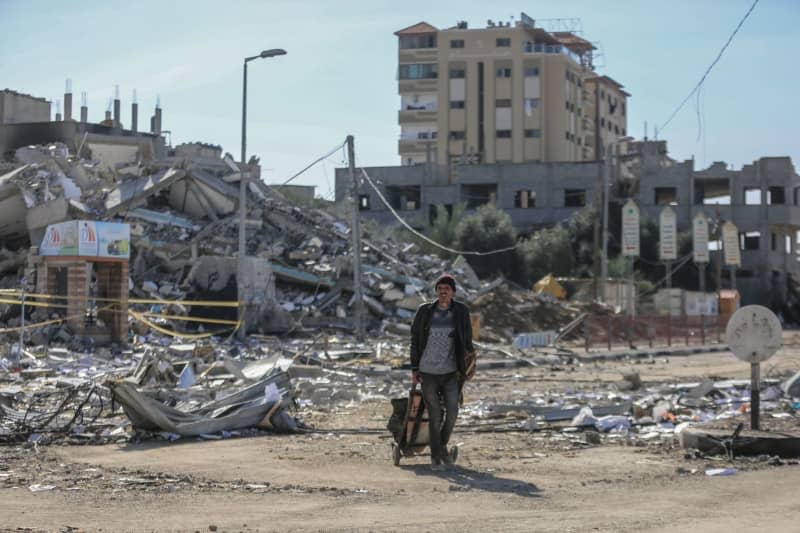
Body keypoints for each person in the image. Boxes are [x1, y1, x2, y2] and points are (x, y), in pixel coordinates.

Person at [410, 273, 476, 468]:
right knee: (435, 414)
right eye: (440, 288)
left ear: (453, 292)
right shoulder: (424, 311)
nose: (443, 291)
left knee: (453, 412)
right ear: (436, 291)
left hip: (451, 372)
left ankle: (442, 445)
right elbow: (415, 340)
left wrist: (471, 365)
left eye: (447, 288)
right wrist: (414, 368)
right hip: (428, 371)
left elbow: (467, 341)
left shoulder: (461, 311)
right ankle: (436, 457)